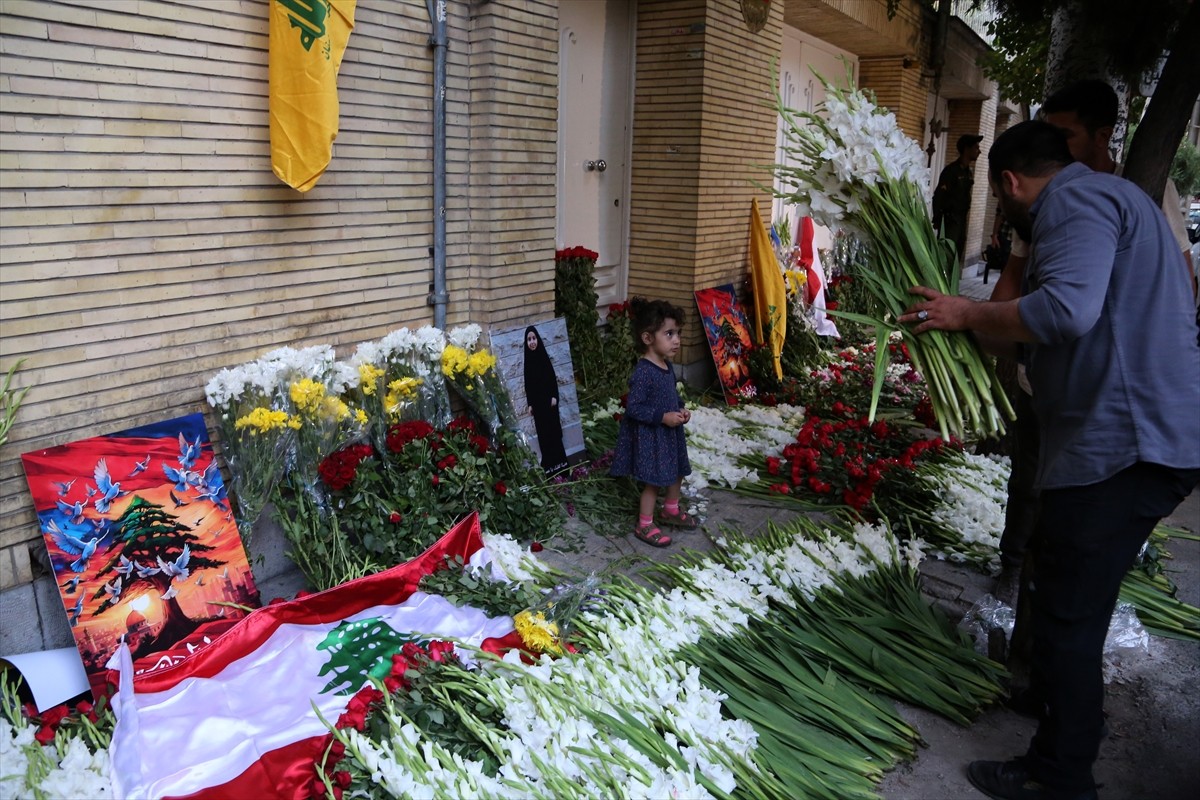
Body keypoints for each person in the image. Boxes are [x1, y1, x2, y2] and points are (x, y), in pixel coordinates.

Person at [903, 120, 1200, 800]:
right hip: (1147, 432)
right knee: (1068, 595)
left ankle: (1059, 777)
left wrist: (969, 315)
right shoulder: (1123, 200)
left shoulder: (1071, 204)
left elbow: (1066, 311)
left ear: (1010, 183)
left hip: (1124, 443)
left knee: (1068, 613)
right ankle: (1055, 708)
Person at [609, 297, 696, 547]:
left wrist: (680, 408)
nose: (676, 340)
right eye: (669, 334)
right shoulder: (644, 371)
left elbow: (670, 394)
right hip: (652, 435)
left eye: (677, 333)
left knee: (677, 471)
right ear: (648, 338)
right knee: (654, 481)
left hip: (669, 432)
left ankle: (670, 509)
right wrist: (662, 417)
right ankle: (644, 524)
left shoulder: (666, 366)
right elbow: (634, 408)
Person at [522, 325, 569, 474]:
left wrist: (554, 396)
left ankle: (560, 463)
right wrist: (530, 404)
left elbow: (551, 379)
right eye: (529, 340)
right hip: (537, 405)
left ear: (538, 340)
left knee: (553, 431)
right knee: (543, 433)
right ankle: (549, 464)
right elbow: (528, 385)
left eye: (534, 338)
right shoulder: (527, 363)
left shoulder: (544, 358)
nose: (532, 342)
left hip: (549, 403)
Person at [932, 133, 984, 263]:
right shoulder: (951, 171)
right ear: (966, 149)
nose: (979, 151)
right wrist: (937, 219)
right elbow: (939, 195)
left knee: (956, 255)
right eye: (976, 148)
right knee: (946, 255)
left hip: (961, 219)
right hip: (950, 219)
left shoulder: (967, 172)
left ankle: (952, 282)